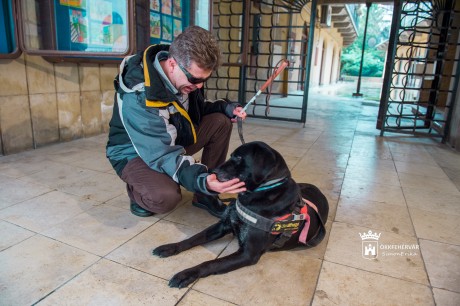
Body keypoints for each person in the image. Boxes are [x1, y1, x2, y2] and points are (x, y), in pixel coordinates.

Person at [106, 26, 247, 218]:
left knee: (220, 122)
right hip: (135, 152)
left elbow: (195, 111)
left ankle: (204, 196)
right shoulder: (140, 96)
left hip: (169, 138)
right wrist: (199, 178)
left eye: (205, 79)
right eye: (195, 79)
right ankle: (138, 191)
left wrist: (226, 108)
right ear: (172, 64)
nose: (199, 86)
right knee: (165, 197)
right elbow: (160, 153)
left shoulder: (183, 78)